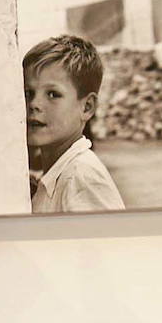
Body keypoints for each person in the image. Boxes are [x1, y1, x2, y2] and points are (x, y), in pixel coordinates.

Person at [24, 34, 124, 213]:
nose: (34, 104)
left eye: (53, 94)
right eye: (28, 93)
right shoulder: (59, 173)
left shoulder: (82, 179)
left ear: (87, 107)